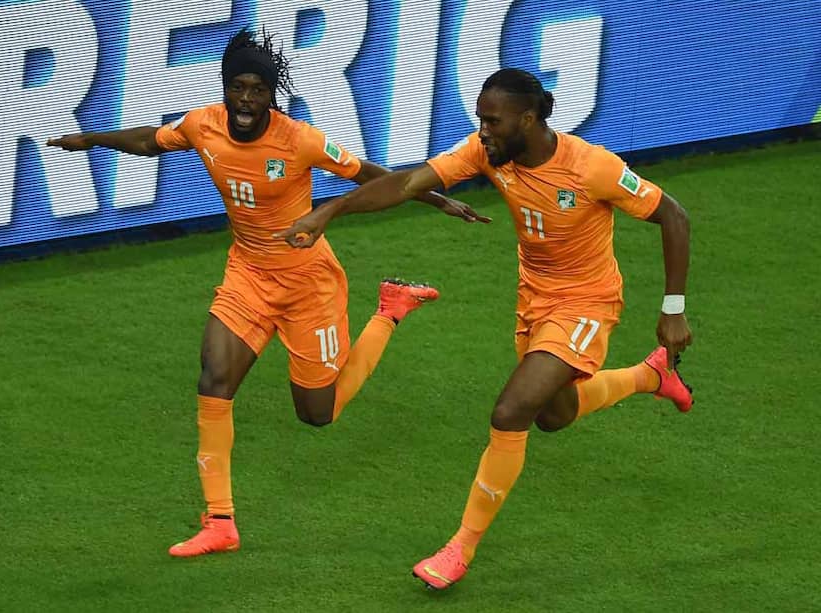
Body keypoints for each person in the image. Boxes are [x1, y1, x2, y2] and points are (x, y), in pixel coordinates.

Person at [47, 29, 489, 558]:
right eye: (239, 87)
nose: (248, 100)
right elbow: (150, 142)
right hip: (249, 276)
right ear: (226, 86)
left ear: (272, 95)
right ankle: (219, 522)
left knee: (317, 414)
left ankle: (391, 311)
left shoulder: (299, 139)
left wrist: (438, 200)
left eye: (259, 90)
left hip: (309, 286)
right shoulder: (201, 124)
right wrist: (91, 140)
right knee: (214, 379)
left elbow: (368, 174)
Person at [277, 68, 694, 589]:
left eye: (492, 121)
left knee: (511, 410)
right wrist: (331, 210)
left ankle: (460, 548)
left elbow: (673, 215)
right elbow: (408, 182)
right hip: (533, 300)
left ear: (528, 118)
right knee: (553, 415)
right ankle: (650, 377)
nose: (483, 130)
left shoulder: (592, 168)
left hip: (587, 304)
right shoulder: (486, 152)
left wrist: (673, 307)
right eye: (479, 119)